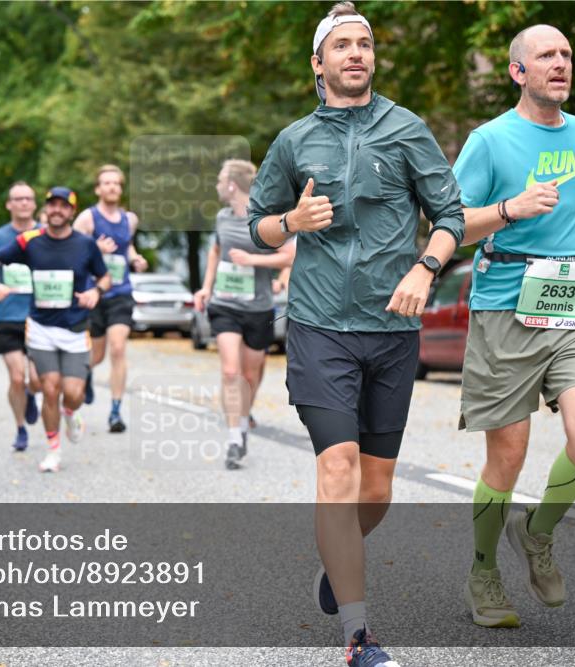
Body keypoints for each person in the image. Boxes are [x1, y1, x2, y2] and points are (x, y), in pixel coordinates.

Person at [248, 3, 465, 665]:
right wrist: (293, 220)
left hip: (392, 329)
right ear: (318, 63)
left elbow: (450, 214)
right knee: (336, 469)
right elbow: (257, 223)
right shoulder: (293, 141)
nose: (355, 54)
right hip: (319, 328)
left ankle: (334, 565)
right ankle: (358, 635)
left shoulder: (406, 130)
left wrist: (427, 269)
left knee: (375, 491)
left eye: (364, 44)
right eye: (341, 45)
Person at [452, 24, 575, 629]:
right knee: (508, 456)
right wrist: (509, 209)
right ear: (518, 71)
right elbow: (451, 226)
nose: (560, 64)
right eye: (545, 56)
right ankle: (482, 570)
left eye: (567, 55)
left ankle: (538, 530)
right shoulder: (489, 141)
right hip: (504, 306)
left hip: (573, 305)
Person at [0, 187, 111, 473]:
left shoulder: (86, 245)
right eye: (53, 205)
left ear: (72, 212)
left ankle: (70, 413)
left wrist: (95, 292)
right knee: (50, 389)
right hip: (40, 327)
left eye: (64, 206)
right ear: (46, 209)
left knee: (72, 393)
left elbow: (105, 277)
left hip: (74, 329)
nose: (57, 210)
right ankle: (53, 450)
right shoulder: (29, 241)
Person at [194, 159, 295, 469]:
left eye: (219, 180)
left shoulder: (266, 217)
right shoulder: (222, 218)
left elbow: (289, 254)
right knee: (230, 371)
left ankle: (242, 417)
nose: (216, 186)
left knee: (250, 376)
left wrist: (253, 261)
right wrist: (206, 287)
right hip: (225, 305)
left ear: (232, 185)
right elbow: (215, 251)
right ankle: (235, 437)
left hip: (259, 307)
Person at [73, 165, 148, 433]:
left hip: (121, 293)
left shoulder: (130, 219)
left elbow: (126, 247)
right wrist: (95, 249)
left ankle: (115, 411)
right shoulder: (87, 219)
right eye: (106, 183)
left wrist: (135, 259)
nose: (112, 187)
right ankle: (87, 373)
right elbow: (71, 251)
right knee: (97, 354)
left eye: (116, 183)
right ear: (98, 188)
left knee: (118, 349)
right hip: (95, 295)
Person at [0, 182, 43, 451]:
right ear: (9, 204)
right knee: (15, 377)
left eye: (28, 198)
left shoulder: (46, 234)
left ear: (34, 204)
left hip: (39, 317)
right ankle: (20, 428)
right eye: (17, 199)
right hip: (7, 316)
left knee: (35, 379)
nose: (23, 203)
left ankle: (32, 395)